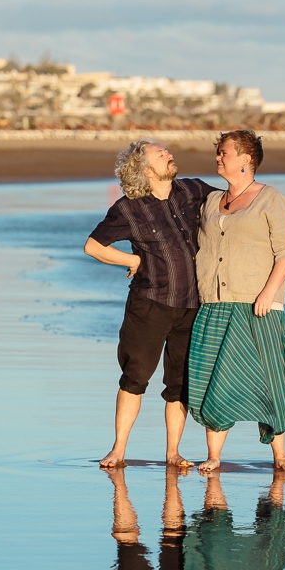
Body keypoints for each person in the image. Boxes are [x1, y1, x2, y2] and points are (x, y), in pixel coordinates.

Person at [84, 140, 216, 467]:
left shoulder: (193, 190)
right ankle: (118, 450)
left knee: (179, 384)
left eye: (168, 151)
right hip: (149, 305)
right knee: (135, 377)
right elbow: (93, 246)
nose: (170, 154)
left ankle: (173, 452)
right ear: (145, 169)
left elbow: (231, 204)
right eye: (161, 154)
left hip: (192, 306)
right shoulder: (128, 208)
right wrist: (132, 259)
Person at [188, 129, 285, 472]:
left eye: (225, 153)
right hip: (213, 303)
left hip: (257, 306)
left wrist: (268, 294)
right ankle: (214, 457)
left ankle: (280, 456)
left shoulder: (272, 200)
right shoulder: (210, 202)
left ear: (246, 160)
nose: (218, 158)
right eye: (219, 152)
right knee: (211, 377)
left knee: (270, 378)